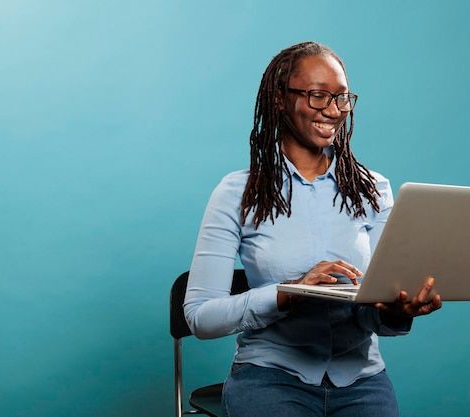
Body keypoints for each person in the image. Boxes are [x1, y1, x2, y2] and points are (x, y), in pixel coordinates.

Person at [184, 41, 442, 417]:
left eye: (342, 98)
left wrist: (399, 309)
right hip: (271, 378)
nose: (334, 111)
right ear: (279, 99)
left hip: (362, 381)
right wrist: (289, 293)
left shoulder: (372, 189)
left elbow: (371, 314)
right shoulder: (238, 192)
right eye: (318, 96)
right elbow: (200, 317)